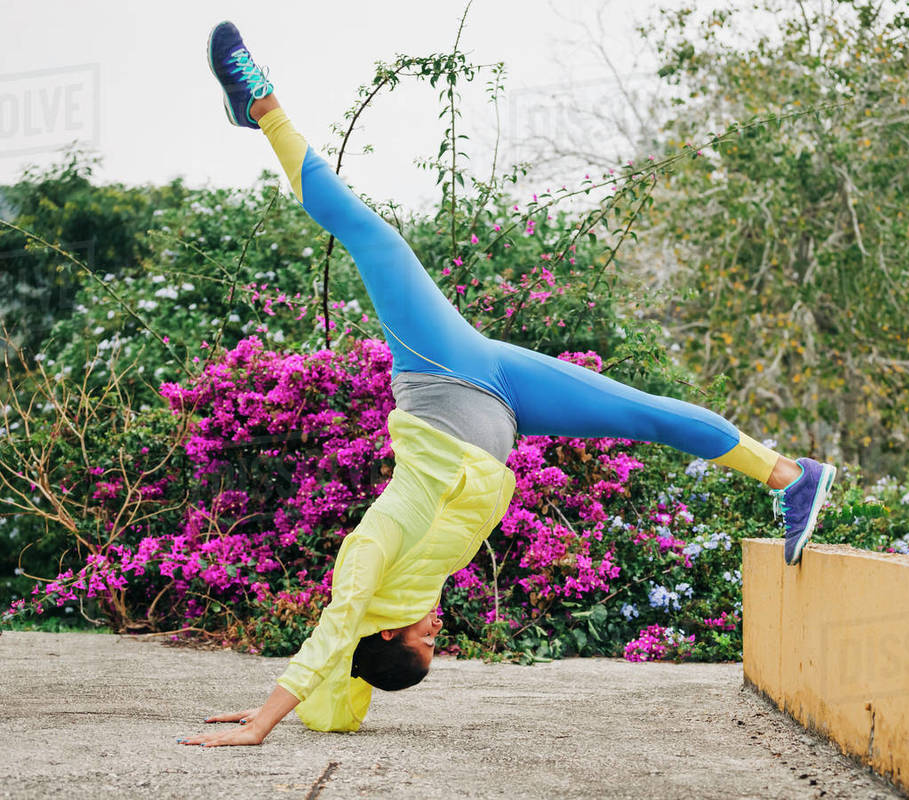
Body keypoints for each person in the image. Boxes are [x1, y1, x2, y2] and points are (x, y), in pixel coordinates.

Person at [179, 22, 836, 748]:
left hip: (441, 370)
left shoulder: (371, 561)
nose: (440, 630)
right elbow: (346, 678)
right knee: (643, 416)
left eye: (427, 643)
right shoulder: (413, 592)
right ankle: (792, 476)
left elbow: (336, 637)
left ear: (396, 633)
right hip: (505, 401)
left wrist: (262, 722)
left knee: (371, 235)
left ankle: (262, 106)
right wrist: (317, 705)